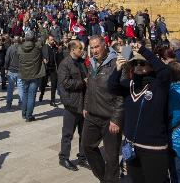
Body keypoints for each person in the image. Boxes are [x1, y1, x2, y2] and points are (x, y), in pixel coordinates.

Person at [109, 42, 171, 183]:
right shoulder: (128, 85)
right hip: (131, 147)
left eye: (142, 63)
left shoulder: (158, 85)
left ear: (150, 65)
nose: (138, 66)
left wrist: (143, 50)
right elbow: (112, 87)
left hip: (153, 149)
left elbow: (165, 71)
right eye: (135, 63)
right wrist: (118, 69)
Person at [81, 35, 123, 183]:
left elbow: (121, 95)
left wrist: (116, 119)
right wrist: (86, 105)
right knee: (87, 146)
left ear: (104, 45)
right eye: (92, 48)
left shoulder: (115, 63)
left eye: (97, 46)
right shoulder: (91, 63)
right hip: (92, 115)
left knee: (112, 156)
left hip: (109, 118)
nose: (94, 50)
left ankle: (111, 180)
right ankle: (104, 178)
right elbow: (90, 86)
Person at [57, 39, 89, 171]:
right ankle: (63, 158)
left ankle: (82, 157)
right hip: (72, 103)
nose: (82, 50)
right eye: (80, 48)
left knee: (84, 133)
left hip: (83, 103)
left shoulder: (81, 62)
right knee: (68, 133)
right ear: (72, 50)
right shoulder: (65, 64)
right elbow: (65, 83)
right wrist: (82, 82)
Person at [18, 30, 45, 122]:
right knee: (31, 96)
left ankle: (24, 113)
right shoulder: (37, 47)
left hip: (24, 74)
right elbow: (44, 36)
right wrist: (41, 27)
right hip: (34, 74)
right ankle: (29, 116)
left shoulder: (20, 48)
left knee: (25, 94)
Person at [40, 34, 60, 107]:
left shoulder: (55, 47)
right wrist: (44, 59)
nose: (52, 41)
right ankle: (42, 93)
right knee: (43, 83)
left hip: (53, 68)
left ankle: (52, 100)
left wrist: (56, 46)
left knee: (54, 85)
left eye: (53, 40)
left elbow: (58, 55)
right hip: (46, 68)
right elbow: (43, 55)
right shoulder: (44, 47)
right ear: (47, 40)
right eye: (51, 40)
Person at [4, 36, 23, 109]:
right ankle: (21, 103)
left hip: (11, 69)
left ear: (13, 41)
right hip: (20, 70)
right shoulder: (22, 48)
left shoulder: (10, 48)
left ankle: (9, 103)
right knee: (20, 87)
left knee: (10, 88)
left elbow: (7, 59)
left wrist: (6, 68)